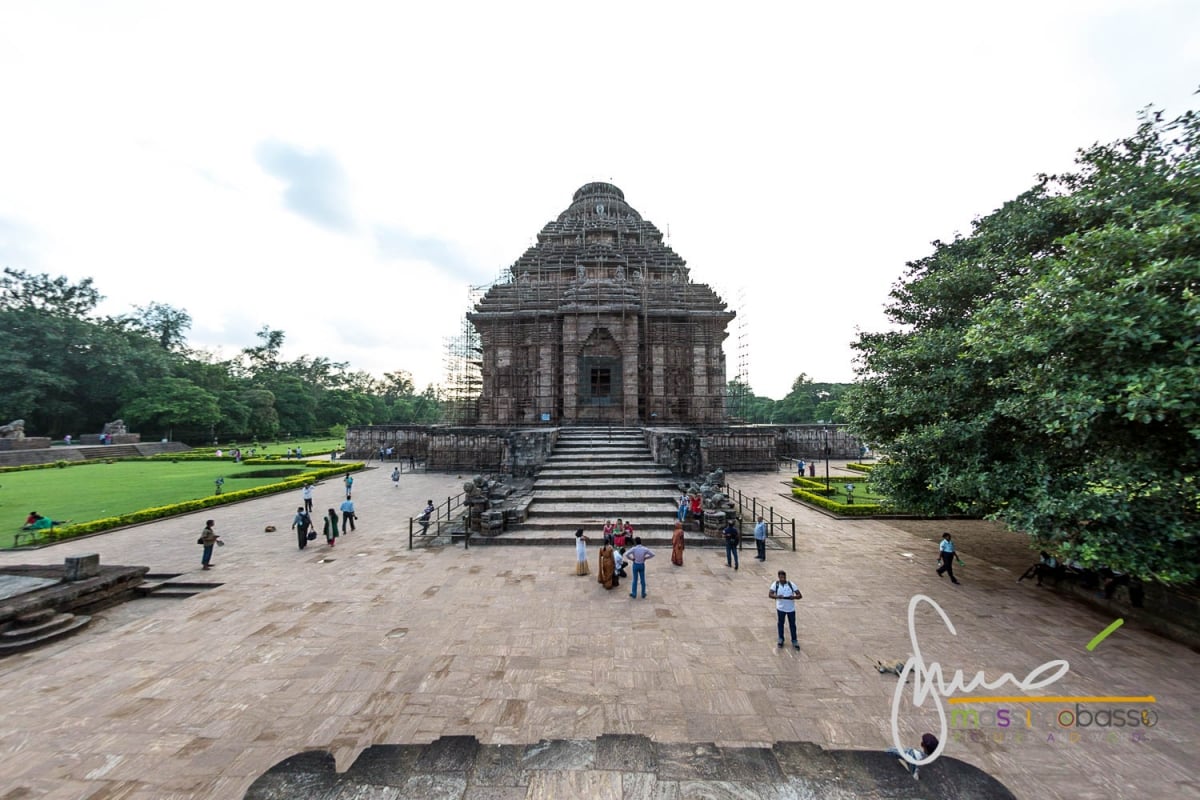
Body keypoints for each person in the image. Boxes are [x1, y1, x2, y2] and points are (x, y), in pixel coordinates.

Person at [769, 570, 802, 649]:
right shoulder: (775, 584)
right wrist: (777, 597)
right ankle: (781, 638)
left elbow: (799, 595)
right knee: (781, 623)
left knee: (792, 624)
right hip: (781, 608)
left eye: (783, 577)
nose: (782, 579)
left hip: (790, 608)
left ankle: (794, 640)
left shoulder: (791, 584)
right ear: (779, 577)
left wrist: (793, 597)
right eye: (781, 577)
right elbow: (770, 594)